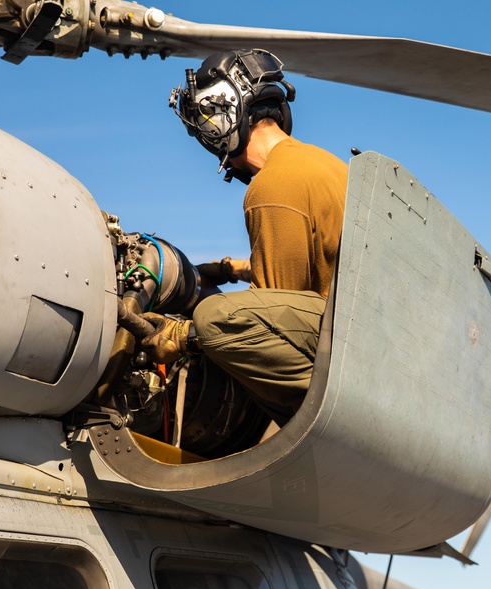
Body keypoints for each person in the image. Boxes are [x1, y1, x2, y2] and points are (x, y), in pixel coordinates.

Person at [140, 49, 349, 425]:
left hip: (341, 372)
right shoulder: (323, 163)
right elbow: (319, 257)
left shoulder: (271, 187)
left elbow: (270, 315)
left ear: (220, 121)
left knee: (215, 316)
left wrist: (183, 335)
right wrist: (232, 269)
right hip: (359, 337)